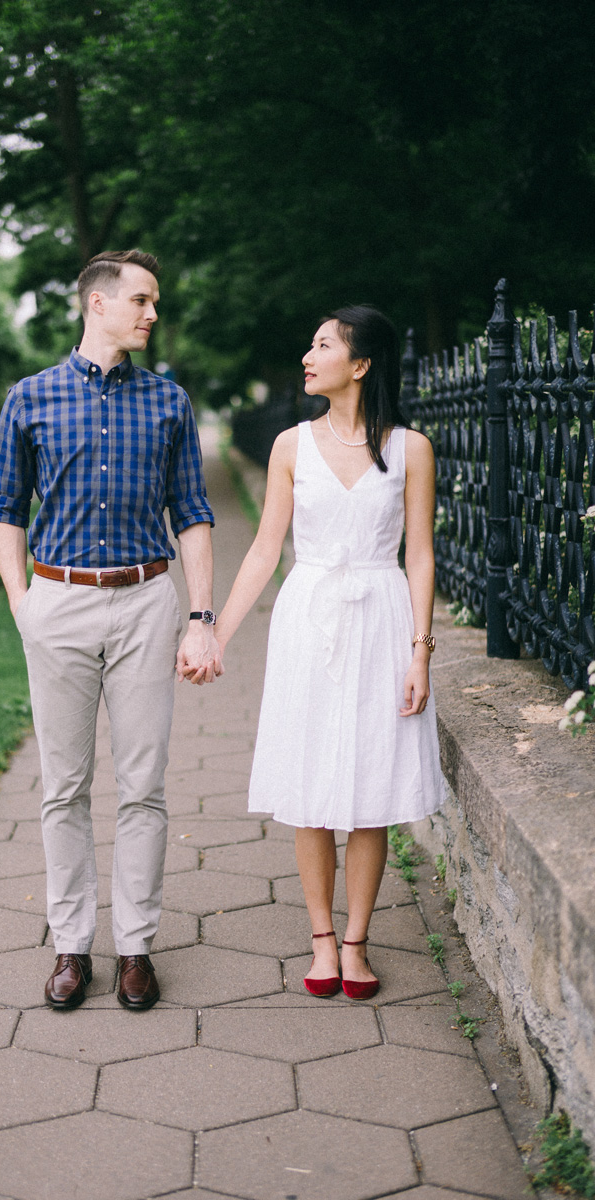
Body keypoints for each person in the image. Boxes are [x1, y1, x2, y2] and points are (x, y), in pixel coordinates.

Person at [0, 249, 222, 1012]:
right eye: (142, 300)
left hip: (147, 602)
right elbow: (5, 509)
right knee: (64, 787)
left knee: (143, 785)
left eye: (155, 301)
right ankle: (70, 946)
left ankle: (137, 949)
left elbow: (192, 513)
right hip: (56, 603)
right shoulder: (29, 398)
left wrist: (200, 617)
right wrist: (24, 605)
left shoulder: (168, 403)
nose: (153, 313)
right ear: (98, 304)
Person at [214, 305, 442, 1000]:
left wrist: (421, 653)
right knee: (312, 787)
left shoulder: (412, 449)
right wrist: (215, 632)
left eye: (322, 346)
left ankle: (357, 942)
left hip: (381, 615)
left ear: (361, 364)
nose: (308, 358)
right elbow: (263, 549)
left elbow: (422, 555)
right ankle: (319, 940)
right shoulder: (289, 445)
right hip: (307, 619)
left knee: (370, 789)